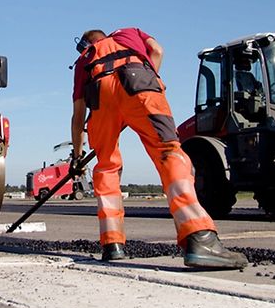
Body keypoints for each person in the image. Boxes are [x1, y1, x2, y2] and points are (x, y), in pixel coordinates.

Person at [70, 28, 247, 269]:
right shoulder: (129, 32)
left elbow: (78, 115)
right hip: (139, 82)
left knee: (106, 167)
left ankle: (112, 245)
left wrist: (78, 156)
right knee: (168, 153)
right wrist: (142, 86)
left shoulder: (85, 59)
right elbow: (157, 50)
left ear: (87, 43)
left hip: (99, 95)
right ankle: (199, 237)